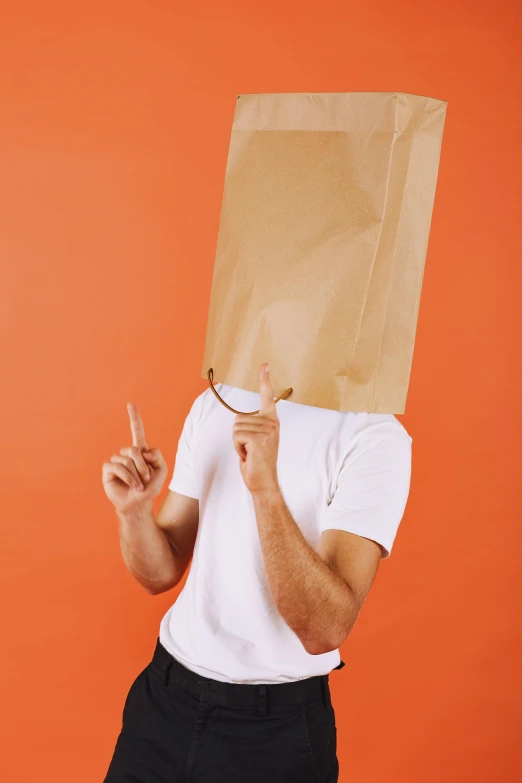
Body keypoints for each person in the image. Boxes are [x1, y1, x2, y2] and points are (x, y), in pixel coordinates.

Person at [101, 362, 412, 782]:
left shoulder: (375, 436)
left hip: (275, 735)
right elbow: (160, 573)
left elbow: (325, 629)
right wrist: (135, 512)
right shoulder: (219, 399)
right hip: (164, 700)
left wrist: (265, 490)